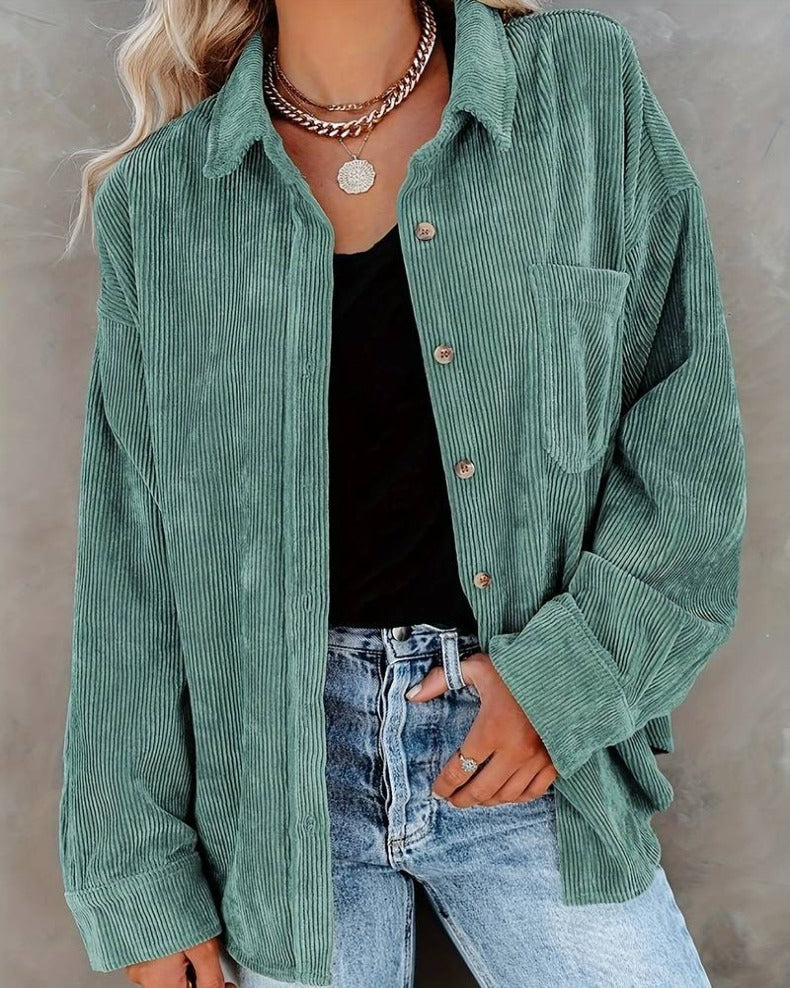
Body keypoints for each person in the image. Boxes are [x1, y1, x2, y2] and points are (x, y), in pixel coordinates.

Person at [58, 0, 747, 986]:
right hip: (274, 798)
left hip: (527, 744)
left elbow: (686, 445)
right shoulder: (164, 201)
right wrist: (139, 882)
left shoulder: (579, 88)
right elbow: (131, 567)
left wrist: (562, 683)